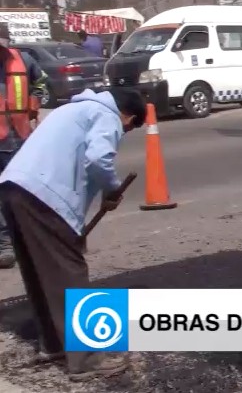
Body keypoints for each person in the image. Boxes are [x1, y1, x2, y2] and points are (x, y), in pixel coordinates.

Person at [0, 87, 146, 381]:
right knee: (70, 271)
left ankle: (54, 344)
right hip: (45, 197)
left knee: (39, 271)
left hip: (14, 190)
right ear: (128, 116)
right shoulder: (106, 114)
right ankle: (88, 359)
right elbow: (98, 158)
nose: (123, 132)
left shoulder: (71, 109)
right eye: (128, 128)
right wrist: (111, 188)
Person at [0, 22, 48, 269]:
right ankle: (5, 243)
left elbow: (41, 83)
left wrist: (35, 100)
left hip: (19, 138)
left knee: (21, 192)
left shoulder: (24, 60)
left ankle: (27, 239)